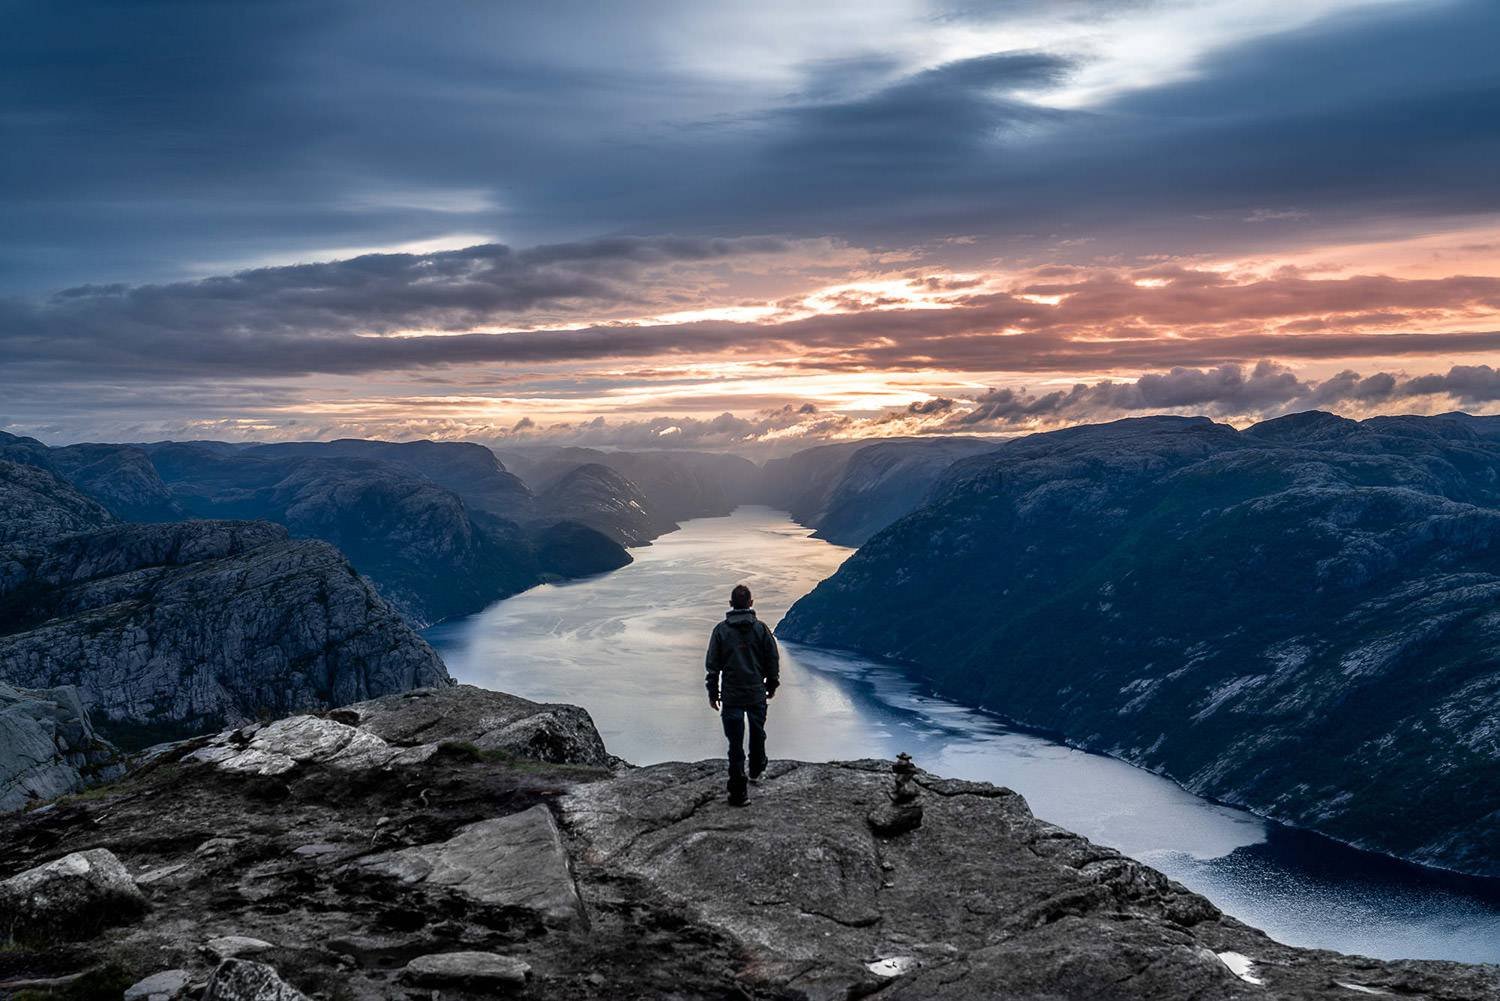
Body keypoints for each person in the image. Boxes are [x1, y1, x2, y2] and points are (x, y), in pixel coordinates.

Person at [705, 583, 780, 806]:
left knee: (735, 744)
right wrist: (772, 683)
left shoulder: (721, 631)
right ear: (751, 603)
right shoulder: (761, 629)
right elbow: (772, 659)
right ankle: (756, 769)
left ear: (730, 605)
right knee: (758, 733)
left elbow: (713, 666)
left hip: (732, 695)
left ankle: (738, 793)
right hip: (756, 692)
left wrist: (713, 692)